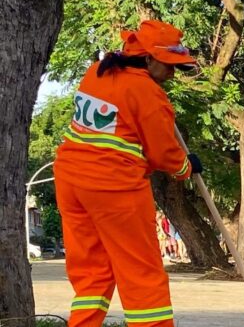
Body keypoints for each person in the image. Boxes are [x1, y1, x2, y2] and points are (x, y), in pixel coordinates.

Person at [53, 20, 204, 327]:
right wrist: (187, 167)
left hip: (70, 181)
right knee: (142, 274)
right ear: (147, 58)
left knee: (92, 273)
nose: (172, 74)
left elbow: (117, 135)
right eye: (169, 66)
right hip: (113, 187)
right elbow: (163, 153)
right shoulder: (147, 92)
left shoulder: (96, 72)